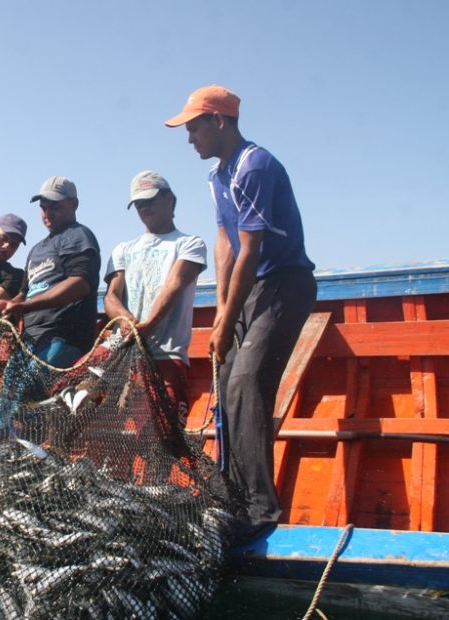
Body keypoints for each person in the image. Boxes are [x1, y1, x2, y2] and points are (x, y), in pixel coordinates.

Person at [166, 84, 316, 542]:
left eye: (194, 128)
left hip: (285, 283)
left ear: (220, 121)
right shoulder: (216, 177)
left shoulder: (255, 166)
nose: (190, 138)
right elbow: (226, 244)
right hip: (249, 290)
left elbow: (252, 248)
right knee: (228, 379)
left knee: (249, 381)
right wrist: (222, 313)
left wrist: (228, 320)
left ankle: (260, 508)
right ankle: (230, 492)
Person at [103, 170, 207, 426]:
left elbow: (175, 285)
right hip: (123, 355)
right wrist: (125, 319)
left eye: (149, 200)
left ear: (170, 200)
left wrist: (148, 326)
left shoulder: (189, 244)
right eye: (138, 203)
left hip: (165, 355)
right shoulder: (122, 249)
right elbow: (111, 296)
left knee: (164, 435)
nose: (143, 208)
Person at [3, 176, 101, 367]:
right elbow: (24, 293)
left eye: (55, 207)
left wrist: (25, 307)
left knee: (26, 393)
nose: (48, 213)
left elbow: (80, 284)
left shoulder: (77, 235)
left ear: (74, 204)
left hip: (63, 339)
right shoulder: (36, 249)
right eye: (43, 207)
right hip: (30, 340)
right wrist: (10, 307)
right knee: (6, 396)